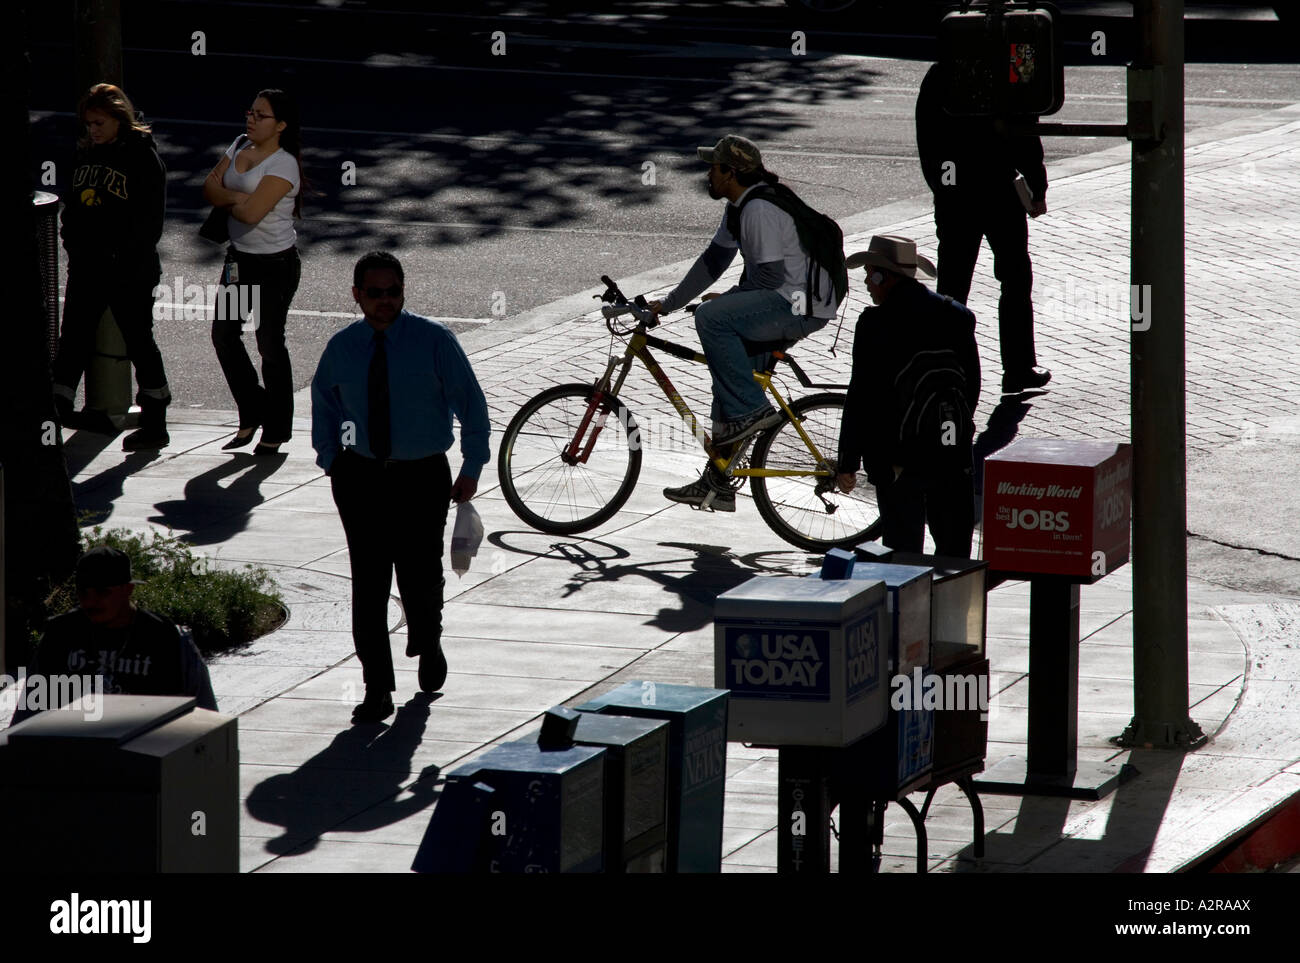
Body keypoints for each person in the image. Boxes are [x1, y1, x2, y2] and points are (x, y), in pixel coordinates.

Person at [311, 252, 491, 724]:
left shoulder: (433, 340)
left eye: (393, 291)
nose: (385, 301)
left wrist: (472, 465)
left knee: (419, 574)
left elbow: (471, 404)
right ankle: (377, 688)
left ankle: (428, 640)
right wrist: (332, 462)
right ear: (357, 296)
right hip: (361, 478)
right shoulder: (341, 348)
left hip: (422, 475)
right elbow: (323, 406)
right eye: (375, 293)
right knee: (369, 585)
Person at [648, 134, 841, 512]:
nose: (708, 174)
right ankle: (719, 483)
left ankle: (754, 411)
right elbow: (713, 262)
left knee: (712, 320)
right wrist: (667, 304)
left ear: (730, 172)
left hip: (800, 305)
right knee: (728, 382)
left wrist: (730, 300)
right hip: (788, 299)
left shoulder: (759, 209)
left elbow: (769, 279)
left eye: (713, 168)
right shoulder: (739, 207)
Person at [836, 235, 980, 557]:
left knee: (902, 555)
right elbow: (971, 386)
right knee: (954, 553)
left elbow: (861, 394)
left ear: (881, 276)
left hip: (897, 457)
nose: (867, 283)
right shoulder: (956, 314)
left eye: (869, 275)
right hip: (951, 450)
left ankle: (908, 607)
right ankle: (953, 606)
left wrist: (848, 460)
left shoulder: (875, 324)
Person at [915, 61, 1051, 395]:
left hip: (959, 196)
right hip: (999, 191)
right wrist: (1036, 187)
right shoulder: (1008, 69)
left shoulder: (942, 74)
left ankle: (948, 367)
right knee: (1014, 277)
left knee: (954, 285)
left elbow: (928, 138)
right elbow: (1025, 134)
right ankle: (1018, 368)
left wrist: (942, 186)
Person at [52, 83, 171, 451]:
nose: (93, 130)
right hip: (87, 267)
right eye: (89, 123)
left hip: (129, 270)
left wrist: (120, 255)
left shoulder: (142, 158)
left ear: (120, 119)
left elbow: (150, 221)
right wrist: (74, 244)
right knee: (73, 339)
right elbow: (71, 208)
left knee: (139, 341)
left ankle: (155, 420)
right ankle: (55, 413)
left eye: (100, 122)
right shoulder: (85, 155)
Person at [203, 89, 305, 455]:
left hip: (274, 266)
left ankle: (276, 428)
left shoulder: (284, 164)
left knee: (269, 343)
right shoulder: (238, 144)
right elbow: (209, 187)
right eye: (251, 111)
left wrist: (230, 197)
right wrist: (237, 197)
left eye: (261, 115)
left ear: (280, 125)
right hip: (238, 262)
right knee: (225, 336)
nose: (251, 119)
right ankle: (254, 411)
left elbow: (250, 214)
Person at [10, 546, 217, 725]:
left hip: (145, 752)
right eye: (83, 593)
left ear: (127, 590)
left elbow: (205, 717)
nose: (91, 602)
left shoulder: (164, 636)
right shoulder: (61, 634)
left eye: (102, 592)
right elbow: (29, 712)